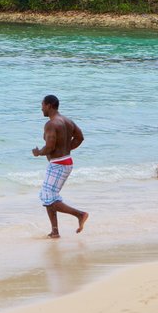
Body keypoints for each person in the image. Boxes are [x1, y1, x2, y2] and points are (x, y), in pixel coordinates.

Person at [31, 94, 89, 238]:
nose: (41, 108)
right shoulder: (67, 121)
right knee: (49, 196)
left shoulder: (51, 124)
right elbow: (80, 137)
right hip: (65, 161)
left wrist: (39, 152)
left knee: (47, 197)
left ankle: (80, 215)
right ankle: (55, 231)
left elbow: (50, 147)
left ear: (49, 105)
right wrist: (66, 149)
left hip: (59, 164)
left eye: (42, 105)